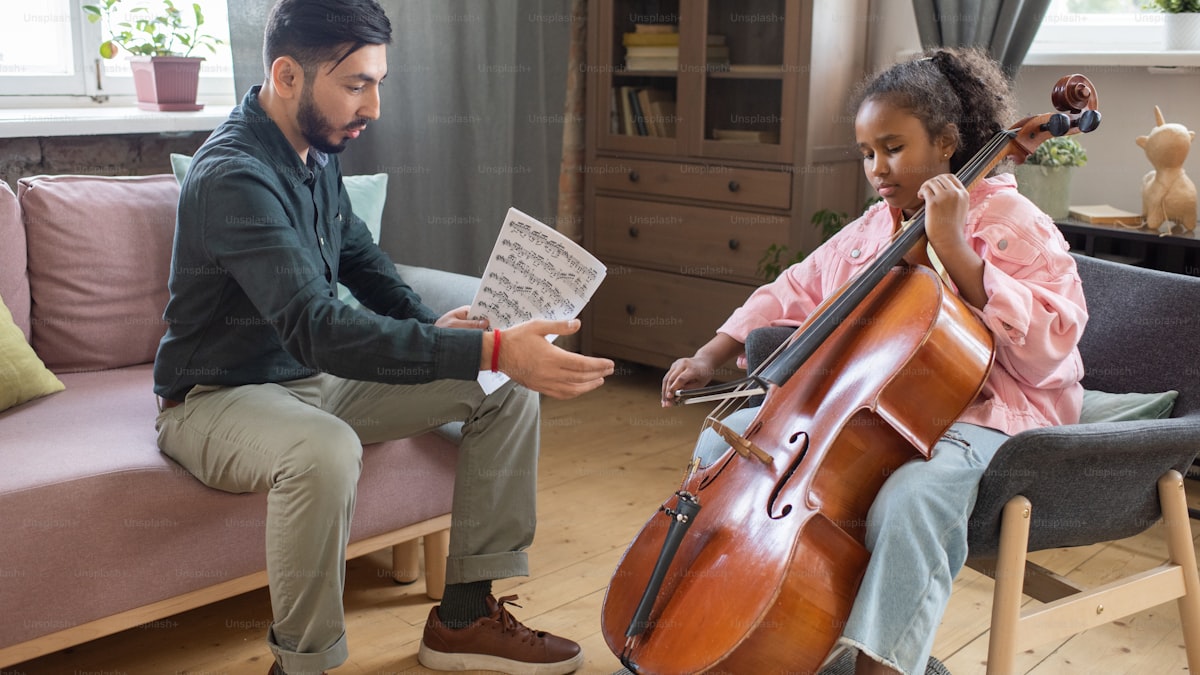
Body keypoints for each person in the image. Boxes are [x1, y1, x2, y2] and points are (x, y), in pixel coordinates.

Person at [152, 1, 613, 674]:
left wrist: (433, 328)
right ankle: (303, 664)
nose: (373, 106)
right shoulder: (235, 177)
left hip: (308, 381)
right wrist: (488, 345)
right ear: (286, 76)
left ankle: (462, 615)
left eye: (379, 82)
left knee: (501, 389)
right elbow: (319, 329)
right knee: (325, 446)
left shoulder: (315, 149)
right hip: (217, 396)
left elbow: (359, 257)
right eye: (355, 84)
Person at [661, 48, 1088, 675]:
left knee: (911, 497)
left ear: (946, 143)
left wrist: (952, 245)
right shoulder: (879, 224)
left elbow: (1054, 338)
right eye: (867, 153)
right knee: (722, 457)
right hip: (892, 403)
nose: (877, 168)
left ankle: (882, 661)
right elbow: (797, 285)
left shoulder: (1011, 223)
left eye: (893, 148)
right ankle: (752, 618)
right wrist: (711, 353)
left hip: (1000, 408)